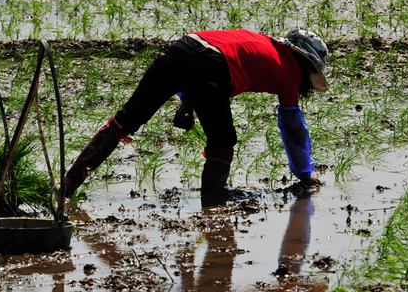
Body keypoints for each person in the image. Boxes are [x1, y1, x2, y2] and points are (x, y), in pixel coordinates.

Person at [63, 29, 329, 202]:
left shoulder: (260, 42)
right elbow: (293, 127)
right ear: (307, 64)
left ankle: (66, 186)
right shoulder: (290, 71)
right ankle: (213, 200)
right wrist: (305, 173)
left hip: (184, 46)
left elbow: (202, 58)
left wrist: (186, 105)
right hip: (211, 64)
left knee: (126, 120)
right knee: (222, 140)